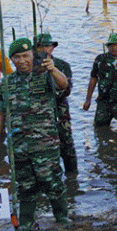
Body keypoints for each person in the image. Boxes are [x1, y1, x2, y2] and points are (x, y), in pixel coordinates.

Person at [0, 38, 70, 230]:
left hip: (45, 144)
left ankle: (62, 219)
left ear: (33, 55)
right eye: (17, 57)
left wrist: (52, 69)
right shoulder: (7, 83)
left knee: (52, 182)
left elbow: (63, 85)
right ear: (11, 60)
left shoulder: (45, 75)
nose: (22, 60)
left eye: (25, 55)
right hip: (18, 145)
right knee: (25, 187)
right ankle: (26, 223)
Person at [35, 33, 78, 174]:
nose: (44, 50)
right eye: (40, 46)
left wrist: (53, 73)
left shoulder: (62, 65)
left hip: (60, 113)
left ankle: (72, 179)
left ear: (53, 47)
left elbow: (66, 90)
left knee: (67, 146)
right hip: (38, 115)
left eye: (48, 46)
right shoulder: (29, 67)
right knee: (40, 150)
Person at [84, 33, 117, 127]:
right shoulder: (100, 59)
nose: (114, 48)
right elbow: (93, 78)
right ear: (108, 47)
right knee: (99, 129)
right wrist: (88, 100)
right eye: (112, 45)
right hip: (103, 102)